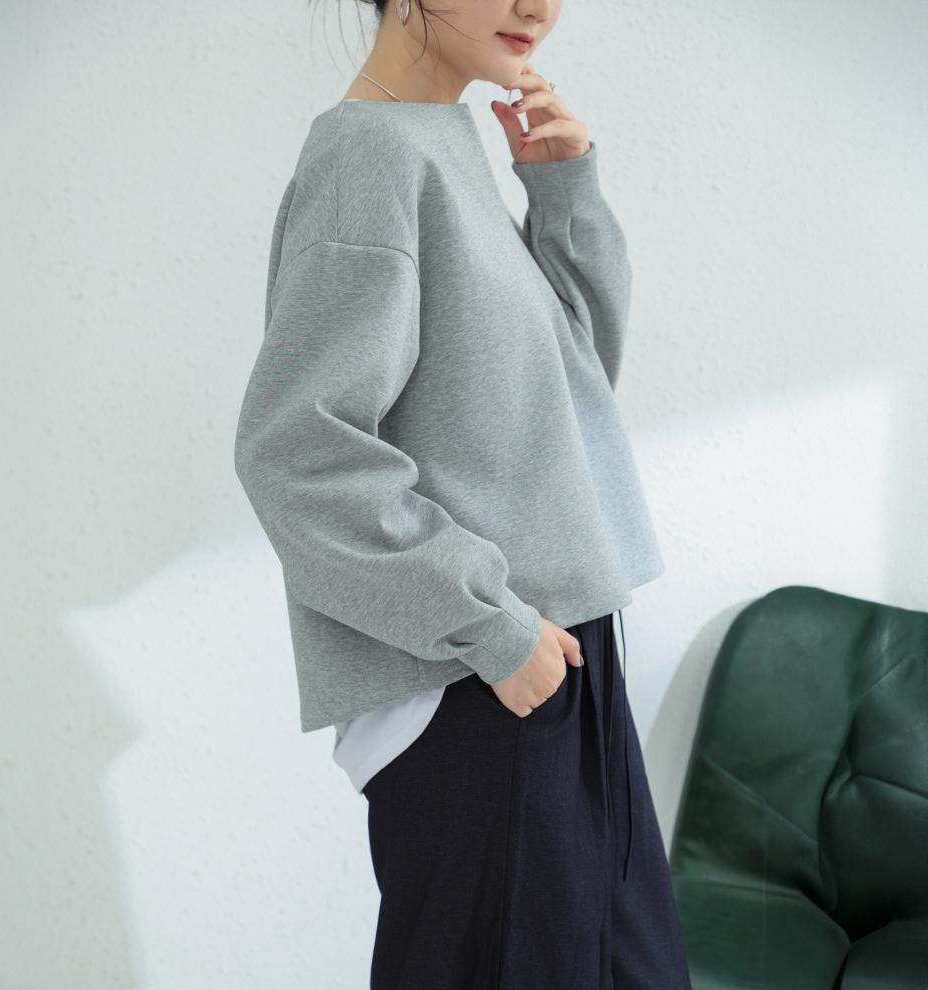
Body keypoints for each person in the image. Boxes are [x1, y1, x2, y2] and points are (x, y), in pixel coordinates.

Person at [234, 0, 693, 985]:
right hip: (477, 685)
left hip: (551, 656)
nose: (538, 6)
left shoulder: (442, 142)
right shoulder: (369, 158)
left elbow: (568, 397)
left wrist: (562, 194)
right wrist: (491, 627)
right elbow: (297, 454)